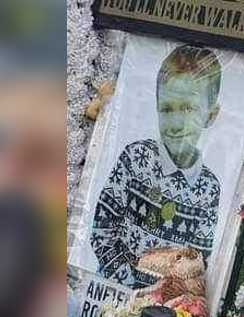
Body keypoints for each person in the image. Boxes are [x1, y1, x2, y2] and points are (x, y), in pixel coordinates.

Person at [91, 45, 222, 288]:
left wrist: (162, 298)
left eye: (189, 108)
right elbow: (102, 229)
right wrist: (131, 290)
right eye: (167, 109)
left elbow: (197, 261)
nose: (176, 123)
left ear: (211, 115)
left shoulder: (209, 189)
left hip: (164, 308)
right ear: (157, 108)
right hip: (113, 291)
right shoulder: (136, 158)